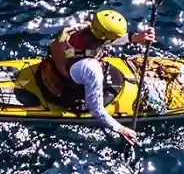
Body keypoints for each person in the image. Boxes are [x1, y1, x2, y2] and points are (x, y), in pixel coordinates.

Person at [35, 9, 155, 142]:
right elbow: (95, 109)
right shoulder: (91, 68)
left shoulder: (77, 29)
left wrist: (136, 38)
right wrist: (120, 128)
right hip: (66, 90)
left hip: (47, 72)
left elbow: (101, 41)